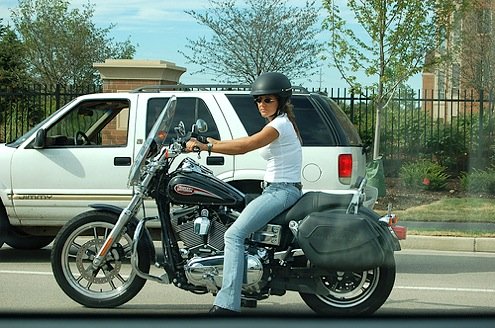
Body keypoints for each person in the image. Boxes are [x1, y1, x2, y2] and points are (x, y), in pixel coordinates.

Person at [186, 72, 303, 314]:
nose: (261, 105)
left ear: (281, 100)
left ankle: (227, 305)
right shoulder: (278, 122)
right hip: (276, 189)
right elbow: (245, 139)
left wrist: (207, 146)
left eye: (267, 100)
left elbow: (246, 146)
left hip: (281, 191)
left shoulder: (279, 125)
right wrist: (212, 141)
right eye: (258, 100)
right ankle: (247, 289)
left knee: (233, 235)